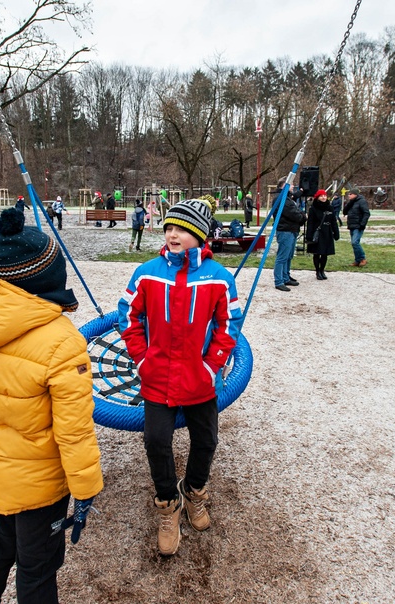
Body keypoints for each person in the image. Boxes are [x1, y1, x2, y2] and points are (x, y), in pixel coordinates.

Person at [0, 207, 103, 603]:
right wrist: (85, 487)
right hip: (40, 483)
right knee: (38, 567)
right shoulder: (62, 342)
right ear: (48, 276)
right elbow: (73, 430)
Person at [118, 198, 241, 557]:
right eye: (169, 227)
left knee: (207, 441)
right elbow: (127, 315)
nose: (172, 234)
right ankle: (168, 504)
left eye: (181, 229)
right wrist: (142, 360)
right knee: (156, 441)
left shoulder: (219, 278)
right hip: (157, 376)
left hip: (200, 378)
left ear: (199, 236)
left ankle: (194, 493)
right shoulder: (148, 272)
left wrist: (211, 364)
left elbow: (228, 324)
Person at [272, 179, 306, 291]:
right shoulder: (281, 198)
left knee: (288, 256)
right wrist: (303, 216)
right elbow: (293, 213)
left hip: (291, 229)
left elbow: (294, 208)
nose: (293, 186)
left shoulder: (287, 198)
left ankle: (286, 277)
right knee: (282, 256)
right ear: (284, 186)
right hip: (285, 230)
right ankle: (279, 281)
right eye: (291, 184)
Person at [305, 190, 340, 280]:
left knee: (325, 253)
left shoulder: (330, 207)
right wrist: (309, 235)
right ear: (317, 197)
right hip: (317, 232)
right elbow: (310, 223)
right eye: (321, 196)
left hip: (327, 232)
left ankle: (322, 270)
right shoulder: (313, 208)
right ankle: (317, 271)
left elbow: (333, 222)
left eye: (324, 195)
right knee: (317, 253)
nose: (323, 197)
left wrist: (336, 233)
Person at [343, 187, 370, 267]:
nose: (349, 195)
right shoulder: (351, 202)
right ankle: (357, 260)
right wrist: (349, 204)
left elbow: (366, 213)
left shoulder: (362, 202)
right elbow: (345, 212)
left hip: (358, 225)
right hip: (352, 225)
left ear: (355, 194)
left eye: (350, 194)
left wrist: (362, 224)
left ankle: (362, 258)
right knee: (354, 243)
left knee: (355, 242)